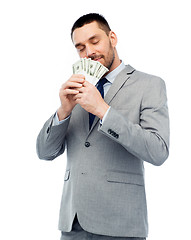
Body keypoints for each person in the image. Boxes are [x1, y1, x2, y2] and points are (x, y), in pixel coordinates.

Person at [36, 13, 170, 240]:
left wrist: (103, 111)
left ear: (113, 38)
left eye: (94, 41)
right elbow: (44, 152)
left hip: (121, 225)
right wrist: (64, 110)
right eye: (80, 47)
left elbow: (158, 151)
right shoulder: (77, 88)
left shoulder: (150, 85)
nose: (88, 52)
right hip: (72, 224)